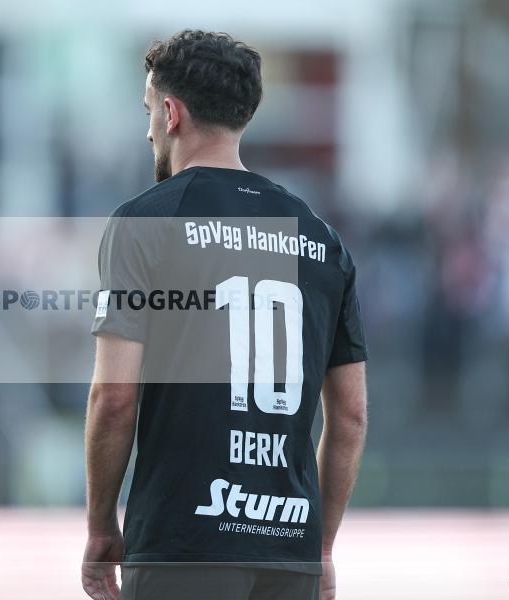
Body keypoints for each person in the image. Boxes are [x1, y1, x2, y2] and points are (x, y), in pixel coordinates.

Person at [82, 30, 367, 600]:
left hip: (181, 543)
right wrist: (323, 544)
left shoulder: (146, 223)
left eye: (147, 113)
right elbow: (352, 417)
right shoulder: (321, 238)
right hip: (288, 549)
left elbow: (114, 398)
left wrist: (99, 526)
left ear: (171, 112)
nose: (147, 130)